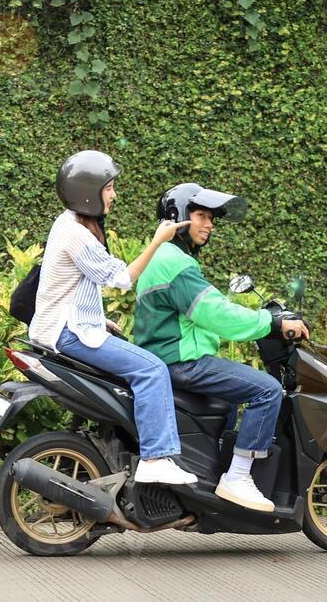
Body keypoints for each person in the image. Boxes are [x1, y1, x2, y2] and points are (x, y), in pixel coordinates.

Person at [133, 183, 309, 511]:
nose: (209, 224)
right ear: (178, 218)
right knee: (268, 390)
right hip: (182, 361)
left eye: (211, 217)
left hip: (170, 358)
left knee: (228, 400)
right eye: (200, 215)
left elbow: (206, 310)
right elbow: (216, 314)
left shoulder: (166, 258)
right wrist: (273, 322)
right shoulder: (176, 263)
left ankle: (207, 479)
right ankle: (238, 477)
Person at [29, 151, 198, 485]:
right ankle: (155, 457)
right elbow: (121, 278)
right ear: (88, 192)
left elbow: (71, 284)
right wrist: (157, 241)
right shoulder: (76, 234)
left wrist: (97, 319)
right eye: (109, 188)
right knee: (151, 369)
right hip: (69, 333)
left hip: (67, 326)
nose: (114, 195)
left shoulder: (69, 222)